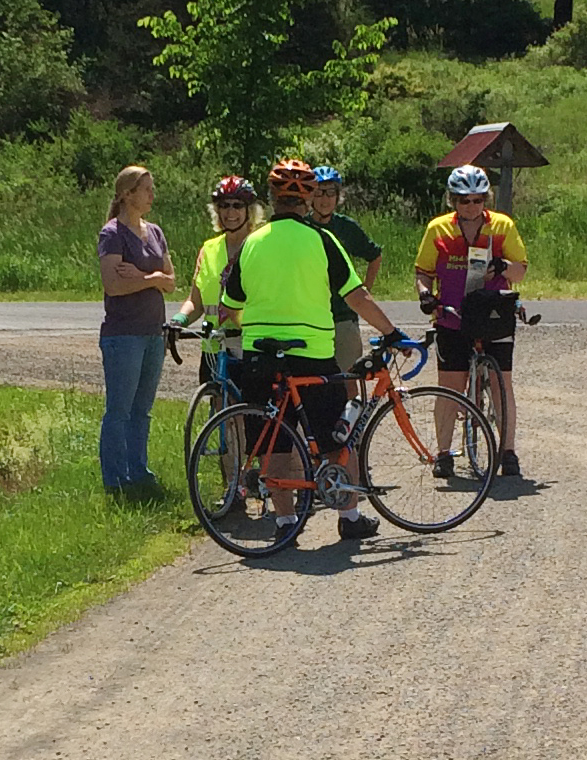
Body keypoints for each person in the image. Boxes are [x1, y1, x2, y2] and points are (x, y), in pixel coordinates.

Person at [221, 158, 406, 545]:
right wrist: (392, 332)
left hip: (260, 355)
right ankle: (349, 515)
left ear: (272, 198)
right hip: (313, 353)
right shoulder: (322, 239)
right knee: (336, 437)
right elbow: (357, 296)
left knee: (275, 437)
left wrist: (258, 326)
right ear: (306, 199)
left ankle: (286, 523)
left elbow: (228, 307)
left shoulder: (251, 243)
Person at [414, 164, 529, 477]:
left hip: (493, 314)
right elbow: (422, 272)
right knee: (449, 386)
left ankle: (507, 451)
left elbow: (521, 270)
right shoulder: (438, 229)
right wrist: (425, 294)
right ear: (453, 201)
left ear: (486, 199)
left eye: (478, 200)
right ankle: (443, 454)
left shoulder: (502, 226)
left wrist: (503, 265)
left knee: (501, 383)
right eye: (464, 200)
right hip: (452, 316)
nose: (472, 206)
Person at [96, 165, 175, 494]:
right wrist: (152, 281)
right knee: (120, 409)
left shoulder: (155, 232)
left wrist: (148, 280)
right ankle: (115, 480)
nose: (151, 194)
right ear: (127, 194)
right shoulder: (112, 234)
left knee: (142, 410)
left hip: (153, 332)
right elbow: (113, 285)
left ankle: (139, 472)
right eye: (145, 189)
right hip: (123, 334)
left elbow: (170, 282)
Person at [171, 175, 261, 382]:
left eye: (238, 206)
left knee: (246, 411)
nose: (230, 212)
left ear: (250, 210)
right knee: (218, 407)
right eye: (224, 206)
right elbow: (196, 301)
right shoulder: (209, 249)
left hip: (249, 344)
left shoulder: (260, 246)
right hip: (215, 346)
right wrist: (179, 321)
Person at [308, 165, 383, 397]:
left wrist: (363, 291)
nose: (324, 199)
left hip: (342, 316)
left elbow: (374, 255)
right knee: (313, 382)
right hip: (310, 316)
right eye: (319, 192)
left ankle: (354, 431)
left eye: (330, 192)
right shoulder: (302, 225)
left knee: (350, 378)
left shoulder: (346, 227)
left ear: (338, 196)